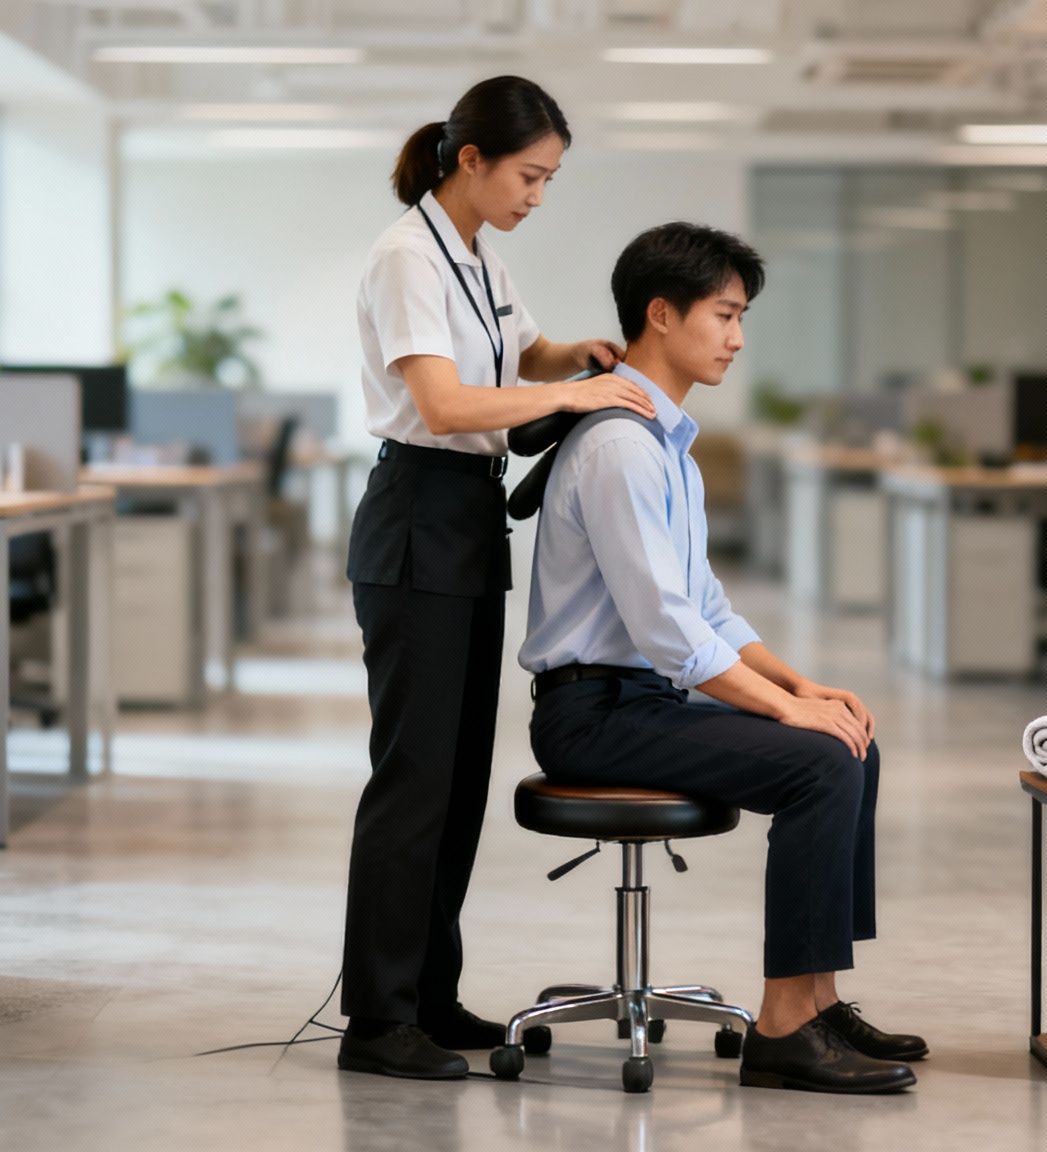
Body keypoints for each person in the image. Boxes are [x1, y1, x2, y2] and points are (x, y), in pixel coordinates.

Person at [519, 222, 925, 1094]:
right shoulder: (621, 445)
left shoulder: (668, 445)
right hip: (594, 716)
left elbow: (706, 606)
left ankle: (816, 999)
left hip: (642, 703)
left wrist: (802, 684)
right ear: (660, 316)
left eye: (743, 317)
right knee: (819, 764)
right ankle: (783, 1030)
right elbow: (667, 629)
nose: (738, 338)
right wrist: (783, 712)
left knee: (850, 738)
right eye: (725, 315)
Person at [340, 76, 658, 1082]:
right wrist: (574, 392)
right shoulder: (406, 256)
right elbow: (438, 402)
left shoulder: (478, 258)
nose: (536, 194)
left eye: (550, 179)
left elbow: (524, 350)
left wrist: (580, 357)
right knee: (412, 783)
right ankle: (377, 1019)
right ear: (470, 159)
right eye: (528, 174)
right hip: (416, 522)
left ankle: (429, 996)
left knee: (457, 780)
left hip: (467, 525)